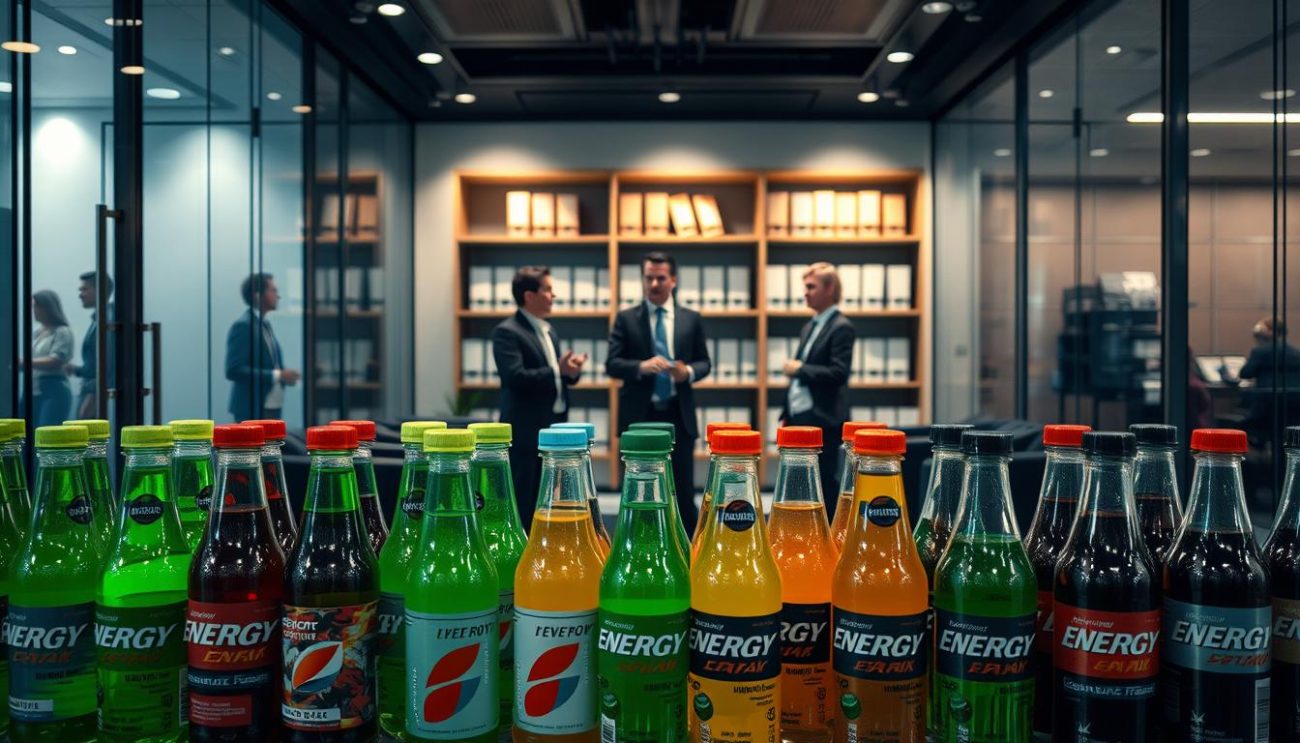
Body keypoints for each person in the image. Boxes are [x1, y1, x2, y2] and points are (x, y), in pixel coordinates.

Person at [606, 251, 711, 534]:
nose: (654, 284)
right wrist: (640, 366)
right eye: (648, 278)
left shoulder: (691, 319)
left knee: (683, 491)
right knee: (639, 491)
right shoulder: (627, 319)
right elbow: (612, 364)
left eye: (660, 278)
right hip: (639, 417)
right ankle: (639, 544)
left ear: (673, 280)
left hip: (678, 415)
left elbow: (705, 363)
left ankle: (688, 553)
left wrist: (685, 373)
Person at [491, 266, 587, 529]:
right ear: (529, 295)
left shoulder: (547, 330)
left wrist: (570, 373)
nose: (552, 295)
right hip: (525, 432)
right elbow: (515, 377)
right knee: (525, 501)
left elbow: (551, 375)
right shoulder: (507, 332)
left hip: (551, 429)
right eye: (546, 289)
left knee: (548, 500)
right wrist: (558, 370)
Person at [780, 262, 856, 516]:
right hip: (801, 415)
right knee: (800, 484)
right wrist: (786, 412)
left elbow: (839, 373)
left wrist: (800, 369)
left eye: (811, 287)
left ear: (830, 288)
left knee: (823, 483)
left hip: (823, 418)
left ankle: (827, 540)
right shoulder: (810, 326)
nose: (806, 293)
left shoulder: (841, 326)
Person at [225, 273, 300, 421]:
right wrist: (278, 375)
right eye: (273, 290)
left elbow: (271, 363)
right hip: (252, 409)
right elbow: (233, 370)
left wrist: (287, 376)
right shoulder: (243, 326)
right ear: (257, 295)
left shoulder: (265, 325)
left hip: (272, 407)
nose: (278, 296)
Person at [66, 271, 113, 418]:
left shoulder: (108, 320)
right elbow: (96, 363)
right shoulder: (98, 319)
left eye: (84, 289)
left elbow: (109, 363)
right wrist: (77, 370)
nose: (80, 294)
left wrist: (94, 393)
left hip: (94, 392)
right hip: (92, 389)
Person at [26, 290, 75, 428]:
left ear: (48, 307)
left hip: (54, 389)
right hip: (33, 388)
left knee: (46, 432)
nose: (33, 310)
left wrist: (24, 363)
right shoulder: (37, 332)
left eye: (36, 306)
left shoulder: (62, 332)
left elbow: (56, 361)